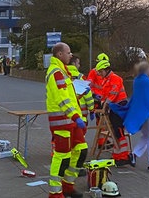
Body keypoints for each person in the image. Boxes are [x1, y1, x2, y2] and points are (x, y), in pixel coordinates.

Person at [45, 42, 87, 198]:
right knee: (62, 156)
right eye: (68, 52)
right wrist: (76, 117)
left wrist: (80, 95)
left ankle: (68, 185)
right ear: (59, 55)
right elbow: (62, 100)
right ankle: (55, 193)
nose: (71, 55)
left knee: (81, 151)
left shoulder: (63, 72)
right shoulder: (56, 72)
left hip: (70, 121)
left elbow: (68, 98)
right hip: (62, 122)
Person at [110, 61, 149, 171]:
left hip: (140, 111)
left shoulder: (136, 80)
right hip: (148, 111)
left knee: (146, 135)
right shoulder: (147, 81)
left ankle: (134, 154)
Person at [95, 58, 131, 166]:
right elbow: (105, 95)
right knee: (115, 131)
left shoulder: (115, 78)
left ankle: (124, 156)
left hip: (119, 107)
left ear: (107, 69)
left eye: (101, 72)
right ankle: (118, 155)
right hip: (113, 107)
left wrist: (104, 105)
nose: (100, 74)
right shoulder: (106, 80)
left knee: (118, 130)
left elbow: (113, 94)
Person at [66, 57, 95, 126]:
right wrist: (91, 110)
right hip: (81, 113)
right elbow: (88, 96)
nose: (79, 65)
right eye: (78, 63)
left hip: (67, 113)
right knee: (80, 136)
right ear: (73, 63)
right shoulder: (81, 77)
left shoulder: (63, 75)